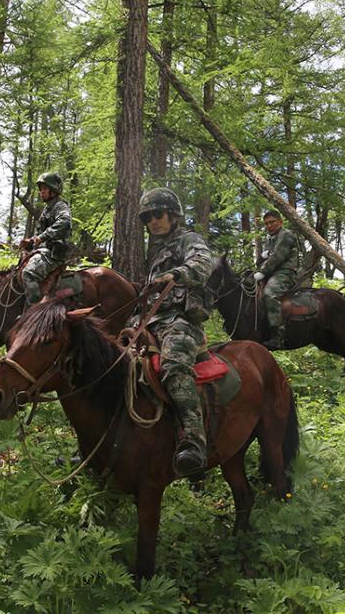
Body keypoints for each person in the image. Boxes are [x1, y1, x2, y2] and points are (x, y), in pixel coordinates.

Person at [135, 187, 215, 477]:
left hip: (180, 321)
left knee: (174, 365)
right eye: (147, 217)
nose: (153, 221)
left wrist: (176, 274)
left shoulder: (189, 240)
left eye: (158, 214)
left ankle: (194, 442)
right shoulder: (153, 250)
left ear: (173, 214)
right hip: (148, 320)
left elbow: (204, 264)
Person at [20, 172, 72, 307]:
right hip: (45, 251)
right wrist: (31, 241)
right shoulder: (47, 209)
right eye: (40, 189)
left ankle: (35, 313)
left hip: (55, 254)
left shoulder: (60, 206)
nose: (41, 192)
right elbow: (40, 234)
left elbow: (65, 223)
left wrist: (41, 237)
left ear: (53, 190)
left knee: (29, 273)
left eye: (44, 189)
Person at [253, 210, 299, 350]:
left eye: (272, 222)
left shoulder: (286, 235)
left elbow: (277, 257)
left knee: (269, 294)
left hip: (285, 272)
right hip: (272, 272)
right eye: (266, 223)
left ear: (280, 221)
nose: (269, 226)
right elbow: (266, 259)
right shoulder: (271, 238)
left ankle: (278, 336)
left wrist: (262, 272)